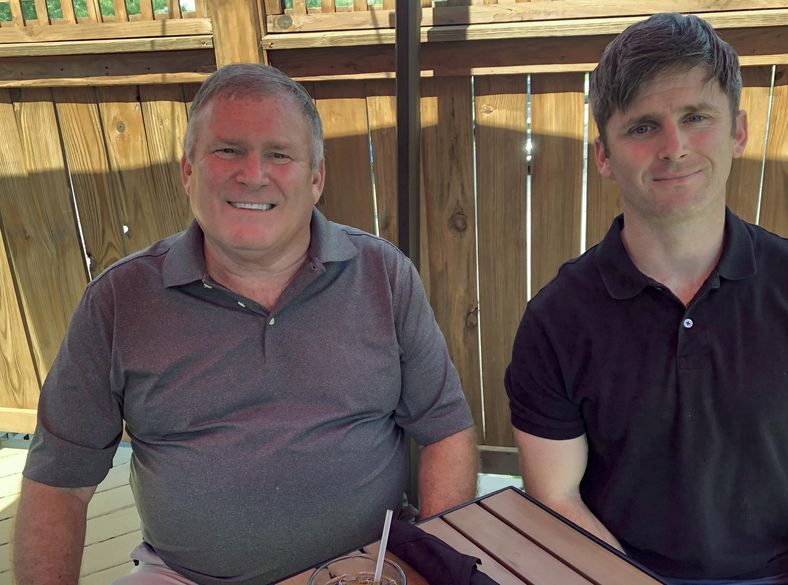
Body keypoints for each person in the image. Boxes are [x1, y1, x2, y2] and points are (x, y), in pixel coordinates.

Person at [13, 63, 477, 585]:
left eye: (279, 154)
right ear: (188, 171)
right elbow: (60, 482)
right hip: (184, 576)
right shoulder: (119, 301)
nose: (253, 174)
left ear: (316, 178)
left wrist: (436, 561)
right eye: (228, 150)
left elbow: (445, 429)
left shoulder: (383, 275)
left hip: (368, 568)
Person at [505, 13, 788, 585]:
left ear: (738, 131)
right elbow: (555, 498)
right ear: (604, 155)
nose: (674, 147)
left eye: (696, 118)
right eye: (642, 127)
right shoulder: (556, 321)